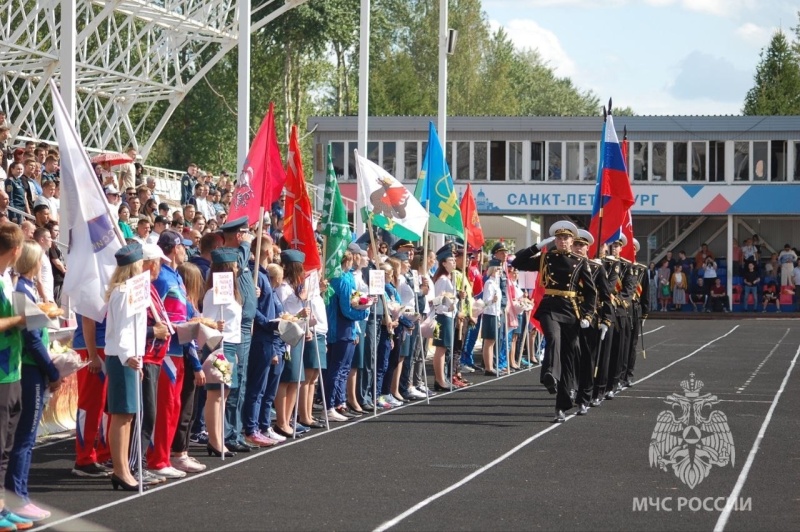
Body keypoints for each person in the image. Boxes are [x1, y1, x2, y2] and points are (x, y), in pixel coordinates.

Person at [511, 221, 596, 422]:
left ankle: (561, 405)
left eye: (566, 238)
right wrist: (537, 246)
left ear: (572, 241)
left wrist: (587, 316)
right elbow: (517, 262)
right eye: (558, 238)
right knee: (552, 337)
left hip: (571, 310)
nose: (562, 241)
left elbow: (591, 293)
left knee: (568, 356)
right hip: (550, 306)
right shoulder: (546, 258)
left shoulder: (580, 261)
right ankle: (549, 374)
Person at [7, 242, 61, 521]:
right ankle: (17, 496)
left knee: (25, 438)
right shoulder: (21, 291)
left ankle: (19, 494)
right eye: (40, 260)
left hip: (32, 368)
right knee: (25, 437)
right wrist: (52, 370)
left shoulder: (27, 289)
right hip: (30, 370)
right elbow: (31, 337)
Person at [104, 242, 148, 492]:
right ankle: (120, 469)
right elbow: (121, 330)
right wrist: (128, 355)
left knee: (128, 414)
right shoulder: (123, 293)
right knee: (122, 414)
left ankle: (123, 468)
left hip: (129, 357)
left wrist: (136, 356)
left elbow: (134, 329)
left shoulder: (130, 291)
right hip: (122, 357)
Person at [202, 247, 242, 457]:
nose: (237, 269)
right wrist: (215, 325)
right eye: (234, 265)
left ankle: (218, 437)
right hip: (218, 345)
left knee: (224, 394)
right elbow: (206, 321)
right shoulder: (212, 293)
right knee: (216, 394)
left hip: (230, 345)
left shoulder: (232, 293)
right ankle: (215, 440)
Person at [570, 230, 612, 415]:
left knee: (588, 359)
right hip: (569, 316)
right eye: (576, 245)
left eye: (582, 245)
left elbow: (605, 296)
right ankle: (571, 387)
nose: (579, 248)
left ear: (588, 248)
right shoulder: (567, 265)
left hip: (590, 318)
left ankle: (584, 398)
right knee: (571, 356)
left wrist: (606, 320)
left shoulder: (596, 268)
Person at [273, 250, 310, 437]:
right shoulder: (283, 289)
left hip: (298, 335)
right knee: (287, 379)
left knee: (296, 380)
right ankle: (281, 421)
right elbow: (283, 316)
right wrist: (299, 304)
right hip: (287, 338)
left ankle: (288, 420)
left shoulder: (295, 290)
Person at [431, 246, 457, 391]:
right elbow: (438, 300)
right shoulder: (442, 279)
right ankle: (440, 379)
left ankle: (441, 378)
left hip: (448, 316)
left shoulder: (448, 278)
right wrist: (448, 307)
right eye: (451, 260)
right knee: (440, 348)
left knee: (444, 348)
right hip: (442, 316)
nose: (454, 262)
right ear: (443, 263)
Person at [480, 259, 502, 376]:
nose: (499, 272)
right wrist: (492, 301)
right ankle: (488, 367)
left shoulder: (495, 284)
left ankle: (490, 365)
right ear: (492, 270)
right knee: (489, 341)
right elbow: (485, 301)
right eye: (498, 269)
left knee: (492, 341)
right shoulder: (489, 283)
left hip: (495, 313)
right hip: (489, 313)